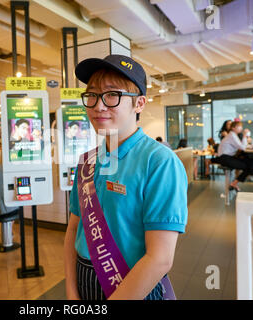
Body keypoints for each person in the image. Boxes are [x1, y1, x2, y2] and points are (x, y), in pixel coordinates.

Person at [64, 54, 188, 300]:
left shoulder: (160, 162)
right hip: (83, 281)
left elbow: (160, 258)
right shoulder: (87, 161)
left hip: (134, 284)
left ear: (139, 103)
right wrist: (71, 292)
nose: (99, 106)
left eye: (112, 95)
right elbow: (73, 231)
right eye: (92, 95)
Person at [217, 121, 253, 191]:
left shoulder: (234, 135)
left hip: (230, 157)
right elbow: (242, 147)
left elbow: (243, 146)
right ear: (233, 128)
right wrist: (245, 136)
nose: (241, 128)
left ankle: (235, 183)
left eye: (241, 127)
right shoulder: (232, 135)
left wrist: (246, 139)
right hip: (225, 158)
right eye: (239, 127)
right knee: (250, 165)